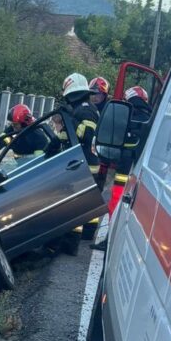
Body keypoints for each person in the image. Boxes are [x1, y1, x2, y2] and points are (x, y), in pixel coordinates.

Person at [60, 72, 106, 248]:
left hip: (86, 164)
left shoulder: (85, 109)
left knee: (77, 205)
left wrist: (70, 119)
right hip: (85, 163)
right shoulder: (83, 108)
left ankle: (71, 243)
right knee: (88, 201)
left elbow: (86, 134)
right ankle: (87, 233)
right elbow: (67, 137)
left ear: (75, 94)